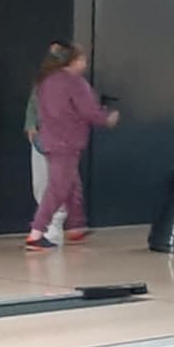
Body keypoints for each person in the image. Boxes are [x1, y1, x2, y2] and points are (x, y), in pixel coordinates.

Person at [25, 44, 119, 253]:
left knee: (67, 183)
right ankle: (37, 233)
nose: (85, 64)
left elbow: (39, 109)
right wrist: (107, 118)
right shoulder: (75, 83)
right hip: (67, 141)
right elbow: (89, 111)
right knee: (58, 187)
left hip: (49, 138)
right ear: (73, 61)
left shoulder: (45, 81)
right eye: (83, 59)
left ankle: (75, 225)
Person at [22, 40, 73, 243]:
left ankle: (55, 227)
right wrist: (31, 126)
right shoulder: (42, 80)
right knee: (40, 181)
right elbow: (33, 103)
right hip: (41, 136)